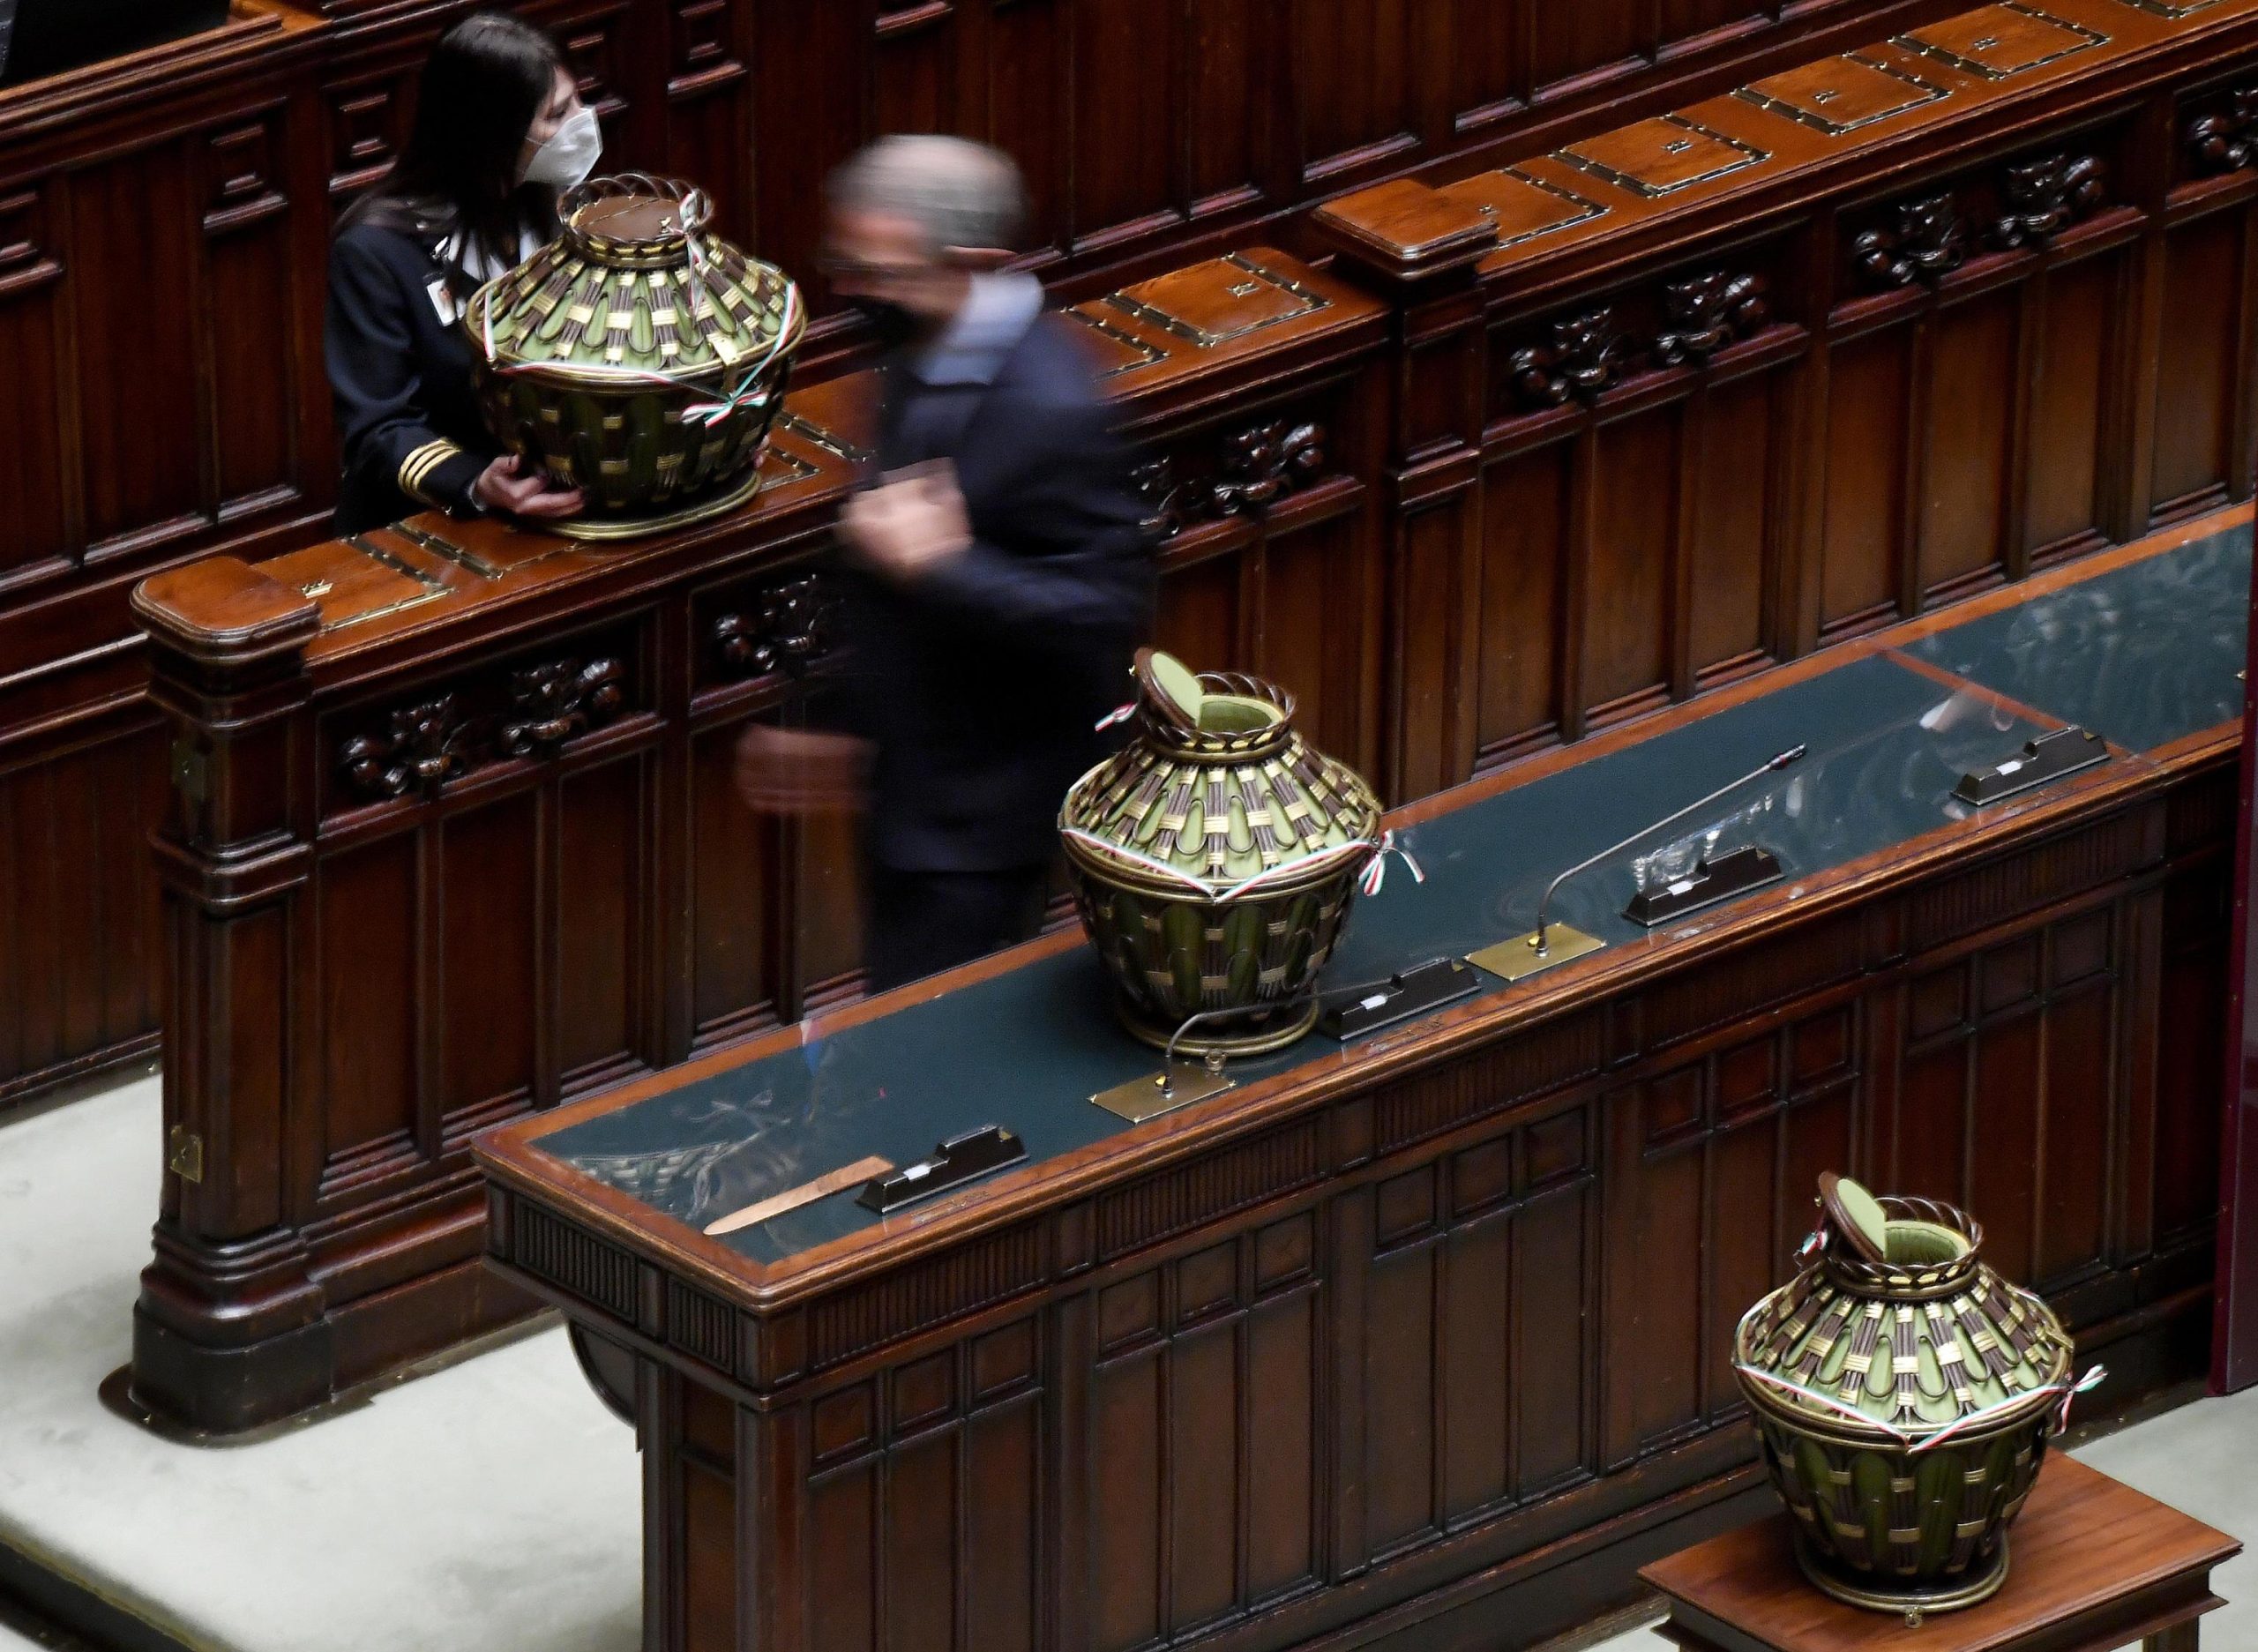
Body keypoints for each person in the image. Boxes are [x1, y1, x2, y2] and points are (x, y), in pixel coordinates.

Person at [737, 136, 1154, 994]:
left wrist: (946, 567)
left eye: (883, 271)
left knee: (935, 1045)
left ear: (975, 263)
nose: (855, 292)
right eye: (847, 265)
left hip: (988, 819)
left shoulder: (1051, 404)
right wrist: (836, 725)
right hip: (910, 789)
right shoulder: (916, 352)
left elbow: (1103, 606)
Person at [324, 11, 590, 534]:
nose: (583, 122)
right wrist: (476, 482)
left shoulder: (562, 203)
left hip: (563, 506)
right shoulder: (377, 252)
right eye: (558, 115)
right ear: (493, 135)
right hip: (432, 525)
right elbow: (380, 430)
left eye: (578, 101)